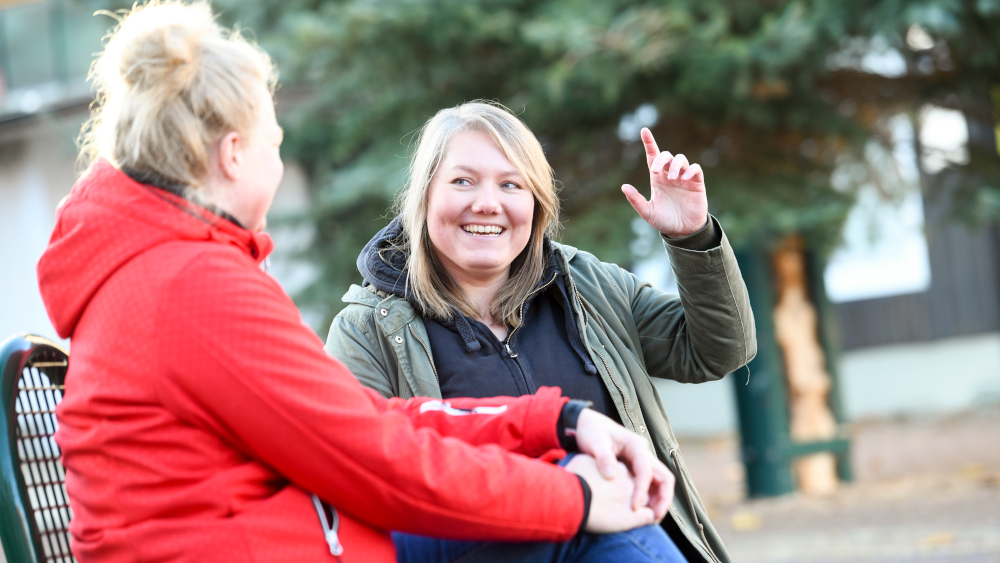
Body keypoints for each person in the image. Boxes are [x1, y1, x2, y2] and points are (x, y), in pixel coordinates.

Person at [35, 3, 675, 562]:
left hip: (284, 536)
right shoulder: (191, 285)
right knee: (581, 520)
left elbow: (362, 422)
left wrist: (552, 423)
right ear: (234, 155)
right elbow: (375, 460)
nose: (278, 163)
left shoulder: (164, 267)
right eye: (274, 143)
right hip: (277, 545)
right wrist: (574, 496)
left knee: (572, 496)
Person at [325, 102, 757, 563]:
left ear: (536, 203)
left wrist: (692, 238)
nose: (487, 202)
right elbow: (358, 479)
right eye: (462, 181)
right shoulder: (367, 330)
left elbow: (717, 351)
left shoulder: (589, 286)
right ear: (425, 195)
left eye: (511, 184)